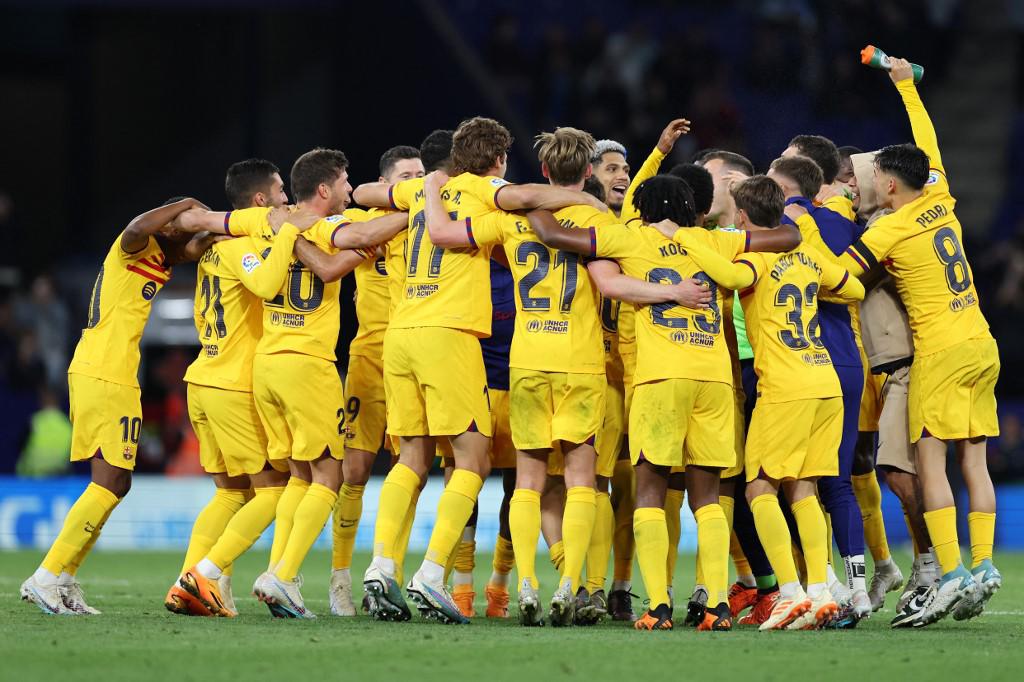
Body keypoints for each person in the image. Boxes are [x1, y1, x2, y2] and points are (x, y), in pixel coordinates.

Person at [420, 127, 708, 626]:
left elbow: (443, 234)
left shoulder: (510, 220)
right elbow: (612, 285)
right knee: (581, 481)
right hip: (581, 362)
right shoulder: (601, 222)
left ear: (545, 171)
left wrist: (430, 187)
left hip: (527, 359)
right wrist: (672, 292)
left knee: (528, 481)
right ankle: (571, 584)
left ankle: (527, 584)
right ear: (589, 171)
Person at [526, 173, 801, 631]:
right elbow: (788, 236)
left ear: (644, 209)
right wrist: (696, 238)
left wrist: (527, 199)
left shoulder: (628, 237)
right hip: (715, 379)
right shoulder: (714, 240)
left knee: (650, 492)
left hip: (660, 379)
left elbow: (551, 234)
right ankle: (717, 605)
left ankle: (658, 606)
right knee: (708, 498)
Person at [355, 117, 599, 624]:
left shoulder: (423, 190)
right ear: (499, 160)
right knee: (473, 460)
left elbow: (361, 192)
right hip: (449, 335)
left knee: (411, 459)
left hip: (400, 334)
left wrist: (426, 186)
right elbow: (526, 198)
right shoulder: (489, 192)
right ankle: (431, 573)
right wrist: (587, 201)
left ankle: (381, 566)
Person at [172, 148, 409, 618]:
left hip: (267, 365)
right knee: (329, 475)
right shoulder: (325, 226)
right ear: (323, 189)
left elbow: (215, 224)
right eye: (343, 182)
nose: (349, 189)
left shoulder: (265, 227)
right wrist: (415, 211)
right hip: (307, 365)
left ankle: (277, 574)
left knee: (297, 477)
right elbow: (351, 244)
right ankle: (252, 573)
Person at [840, 59, 1001, 626]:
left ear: (887, 184)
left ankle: (951, 574)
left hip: (940, 351)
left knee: (931, 460)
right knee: (975, 459)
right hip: (981, 343)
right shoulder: (940, 195)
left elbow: (839, 276)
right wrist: (906, 86)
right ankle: (985, 565)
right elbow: (927, 141)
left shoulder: (888, 228)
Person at [668, 175, 864, 630]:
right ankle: (820, 590)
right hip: (825, 380)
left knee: (758, 488)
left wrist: (686, 238)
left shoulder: (756, 258)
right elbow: (854, 289)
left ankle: (790, 592)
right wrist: (816, 288)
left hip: (785, 387)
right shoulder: (808, 254)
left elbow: (732, 277)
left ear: (742, 216)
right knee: (804, 488)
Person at [20, 197, 213, 615]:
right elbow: (136, 227)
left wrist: (228, 225)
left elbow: (196, 247)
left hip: (113, 373)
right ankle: (46, 576)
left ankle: (63, 578)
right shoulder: (133, 245)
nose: (187, 233)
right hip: (103, 372)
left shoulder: (160, 258)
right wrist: (185, 205)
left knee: (118, 483)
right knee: (108, 482)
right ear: (168, 224)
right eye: (182, 225)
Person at [165, 159, 296, 617]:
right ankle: (202, 575)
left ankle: (187, 584)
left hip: (203, 379)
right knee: (274, 490)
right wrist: (287, 233)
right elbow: (267, 283)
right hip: (233, 385)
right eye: (280, 191)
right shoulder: (240, 245)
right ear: (260, 199)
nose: (286, 198)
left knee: (230, 493)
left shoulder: (216, 248)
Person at [769, 153, 872, 620]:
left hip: (800, 364)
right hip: (847, 360)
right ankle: (858, 588)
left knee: (787, 482)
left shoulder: (780, 230)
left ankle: (818, 582)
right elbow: (856, 286)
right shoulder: (843, 224)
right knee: (838, 480)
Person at [329, 145, 425, 616]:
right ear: (387, 183)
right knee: (354, 472)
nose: (416, 183)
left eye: (421, 175)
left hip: (418, 356)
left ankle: (387, 578)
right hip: (370, 357)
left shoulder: (433, 222)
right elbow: (351, 228)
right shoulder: (364, 220)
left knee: (412, 469)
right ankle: (340, 578)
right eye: (407, 177)